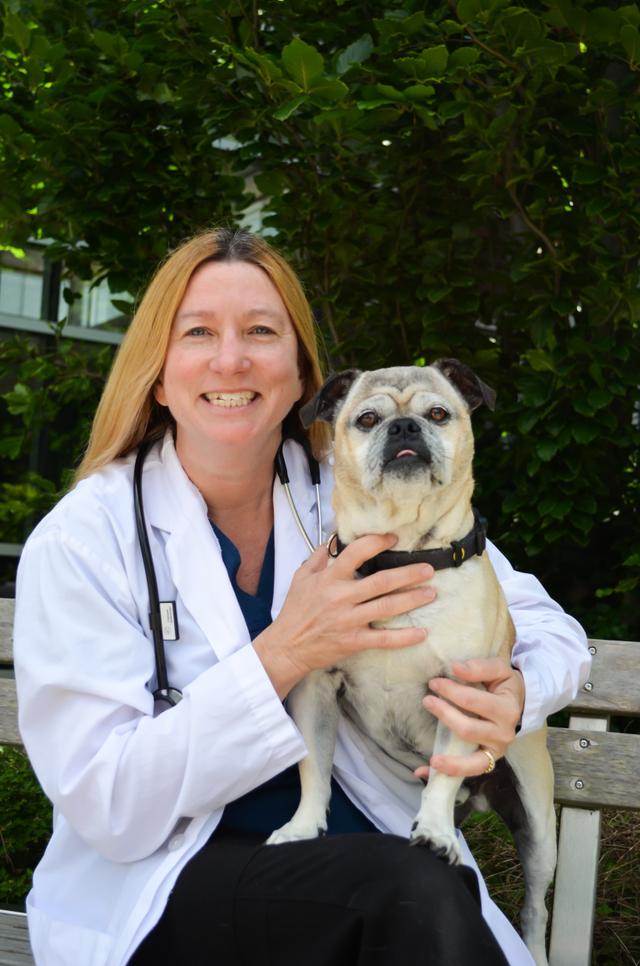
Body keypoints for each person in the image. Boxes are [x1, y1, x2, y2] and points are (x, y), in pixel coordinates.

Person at [13, 228, 590, 966]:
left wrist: (516, 691)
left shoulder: (352, 491)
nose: (231, 359)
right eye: (198, 334)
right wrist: (285, 652)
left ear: (299, 376)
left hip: (369, 859)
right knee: (413, 896)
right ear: (159, 374)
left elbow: (547, 628)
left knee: (414, 894)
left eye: (260, 331)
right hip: (174, 877)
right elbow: (108, 803)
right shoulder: (85, 540)